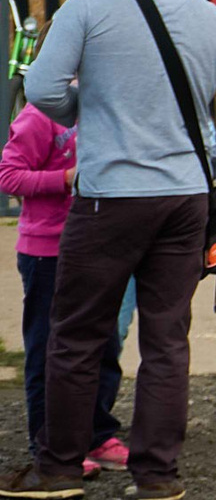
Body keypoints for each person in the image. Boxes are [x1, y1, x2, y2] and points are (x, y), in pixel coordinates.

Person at [0, 0, 216, 500]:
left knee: (76, 334)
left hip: (109, 197)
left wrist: (86, 118)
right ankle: (157, 477)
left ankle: (59, 468)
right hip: (185, 201)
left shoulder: (89, 6)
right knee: (168, 337)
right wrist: (214, 170)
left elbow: (42, 87)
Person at [2, 102, 136, 477]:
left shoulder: (107, 107)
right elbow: (8, 176)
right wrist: (64, 179)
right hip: (47, 253)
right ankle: (48, 442)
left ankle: (96, 435)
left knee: (104, 344)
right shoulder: (38, 116)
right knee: (47, 349)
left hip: (98, 247)